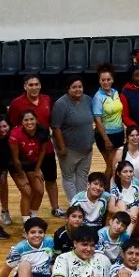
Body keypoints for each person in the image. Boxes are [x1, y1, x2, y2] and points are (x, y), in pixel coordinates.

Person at [8, 75, 63, 217]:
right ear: (25, 86)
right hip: (27, 152)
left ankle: (55, 207)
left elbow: (52, 122)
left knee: (51, 179)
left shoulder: (47, 100)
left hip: (46, 148)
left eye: (36, 84)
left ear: (40, 85)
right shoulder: (17, 103)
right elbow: (14, 125)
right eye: (30, 85)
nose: (34, 87)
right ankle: (28, 216)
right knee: (32, 188)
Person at [49, 75, 94, 203]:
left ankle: (82, 203)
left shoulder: (88, 100)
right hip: (69, 148)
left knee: (82, 176)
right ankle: (74, 204)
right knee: (69, 177)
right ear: (68, 89)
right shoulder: (61, 104)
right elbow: (55, 127)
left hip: (87, 148)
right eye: (74, 87)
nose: (77, 89)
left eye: (80, 87)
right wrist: (62, 147)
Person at [9, 110, 51, 224]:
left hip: (32, 164)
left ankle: (33, 217)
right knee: (27, 192)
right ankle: (26, 223)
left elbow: (42, 151)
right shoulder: (15, 133)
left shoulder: (44, 131)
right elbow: (15, 158)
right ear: (21, 122)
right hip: (17, 165)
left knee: (39, 191)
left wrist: (37, 170)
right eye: (26, 120)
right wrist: (22, 175)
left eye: (32, 119)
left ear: (36, 120)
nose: (29, 122)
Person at [91, 64, 125, 177]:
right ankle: (105, 192)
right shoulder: (97, 97)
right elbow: (98, 121)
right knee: (111, 167)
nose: (106, 82)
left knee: (118, 166)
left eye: (108, 79)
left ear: (113, 80)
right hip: (106, 136)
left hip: (119, 134)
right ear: (99, 81)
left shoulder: (115, 92)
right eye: (103, 80)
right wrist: (106, 140)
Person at [110, 160, 139, 232]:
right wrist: (127, 213)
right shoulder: (115, 188)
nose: (129, 174)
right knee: (121, 203)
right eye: (125, 172)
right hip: (121, 223)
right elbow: (111, 207)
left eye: (131, 171)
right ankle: (125, 237)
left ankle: (126, 236)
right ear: (118, 173)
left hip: (137, 221)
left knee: (135, 208)